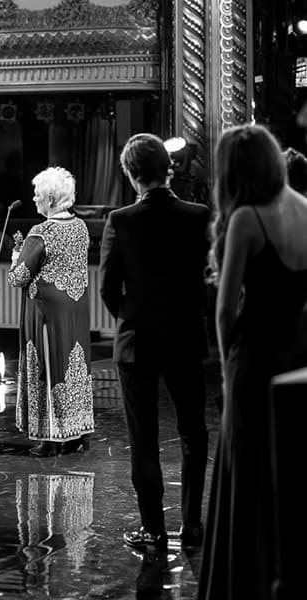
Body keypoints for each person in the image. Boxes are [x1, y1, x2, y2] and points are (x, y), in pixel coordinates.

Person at [199, 125, 307, 600]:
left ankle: (242, 585)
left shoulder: (245, 218)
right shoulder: (306, 209)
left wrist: (226, 369)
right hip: (296, 357)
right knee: (288, 473)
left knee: (245, 474)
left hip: (254, 359)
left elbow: (225, 311)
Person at [99, 133, 210, 552]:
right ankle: (193, 524)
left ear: (130, 174)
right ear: (168, 167)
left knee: (143, 438)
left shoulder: (121, 220)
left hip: (138, 341)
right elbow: (206, 280)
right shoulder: (197, 215)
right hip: (185, 335)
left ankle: (154, 530)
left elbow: (109, 288)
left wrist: (132, 318)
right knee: (193, 432)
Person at [7, 167, 94, 457]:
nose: (34, 199)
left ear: (51, 197)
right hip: (75, 310)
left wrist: (16, 256)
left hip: (45, 315)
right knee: (73, 365)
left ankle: (50, 436)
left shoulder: (41, 232)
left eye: (37, 194)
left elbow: (18, 277)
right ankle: (75, 431)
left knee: (48, 367)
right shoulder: (80, 227)